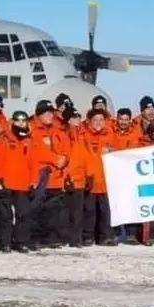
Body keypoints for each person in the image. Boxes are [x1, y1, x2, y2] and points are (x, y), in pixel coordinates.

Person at [29, 99, 71, 250]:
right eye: (46, 113)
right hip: (39, 177)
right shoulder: (31, 129)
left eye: (51, 112)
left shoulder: (57, 130)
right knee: (35, 209)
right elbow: (36, 151)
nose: (49, 115)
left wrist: (64, 158)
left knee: (53, 210)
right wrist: (55, 159)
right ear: (38, 114)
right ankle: (33, 238)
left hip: (56, 177)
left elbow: (67, 147)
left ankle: (50, 237)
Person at [0, 110, 34, 253]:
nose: (21, 123)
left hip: (23, 183)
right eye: (18, 120)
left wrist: (33, 181)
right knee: (5, 215)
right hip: (6, 181)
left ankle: (21, 241)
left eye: (24, 121)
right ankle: (5, 242)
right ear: (12, 121)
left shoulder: (29, 140)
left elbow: (32, 162)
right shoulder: (4, 139)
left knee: (23, 214)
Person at [82, 109, 122, 247]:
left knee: (106, 211)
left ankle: (105, 236)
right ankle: (88, 236)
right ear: (89, 121)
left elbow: (119, 152)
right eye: (95, 120)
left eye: (101, 120)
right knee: (89, 210)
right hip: (90, 179)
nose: (98, 123)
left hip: (106, 180)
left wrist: (112, 151)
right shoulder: (83, 135)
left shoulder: (110, 135)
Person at [61, 109, 87, 247]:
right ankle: (66, 237)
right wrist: (66, 176)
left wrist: (89, 175)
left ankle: (76, 239)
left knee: (78, 212)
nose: (77, 119)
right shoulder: (65, 135)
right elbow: (64, 156)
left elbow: (86, 157)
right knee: (66, 211)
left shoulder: (83, 135)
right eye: (74, 117)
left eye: (78, 116)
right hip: (69, 178)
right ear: (68, 120)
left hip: (80, 178)